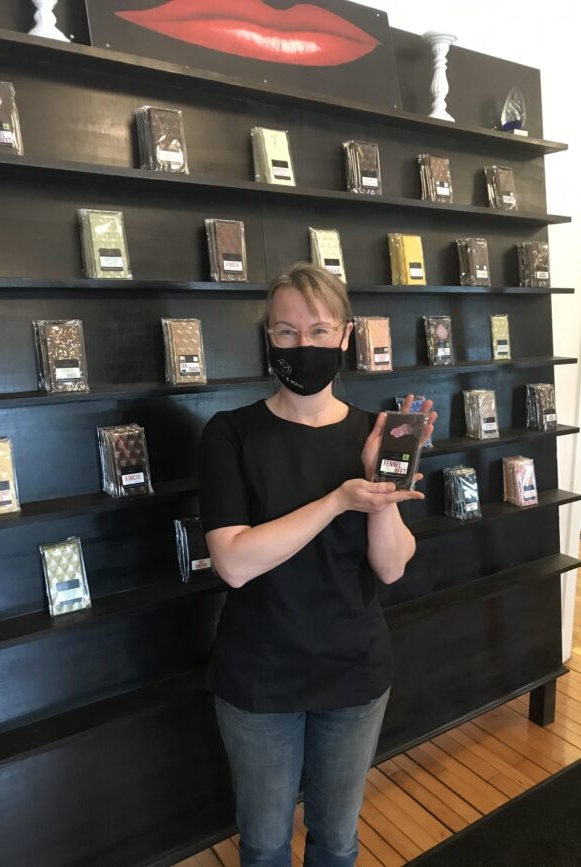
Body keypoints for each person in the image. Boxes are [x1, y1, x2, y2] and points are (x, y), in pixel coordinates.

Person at [198, 262, 437, 867]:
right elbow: (232, 562)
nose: (303, 346)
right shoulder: (230, 435)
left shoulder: (374, 434)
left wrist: (381, 485)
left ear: (347, 337)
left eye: (319, 331)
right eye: (285, 333)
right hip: (259, 674)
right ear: (268, 338)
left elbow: (390, 568)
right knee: (265, 842)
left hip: (353, 671)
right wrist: (337, 500)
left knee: (336, 839)